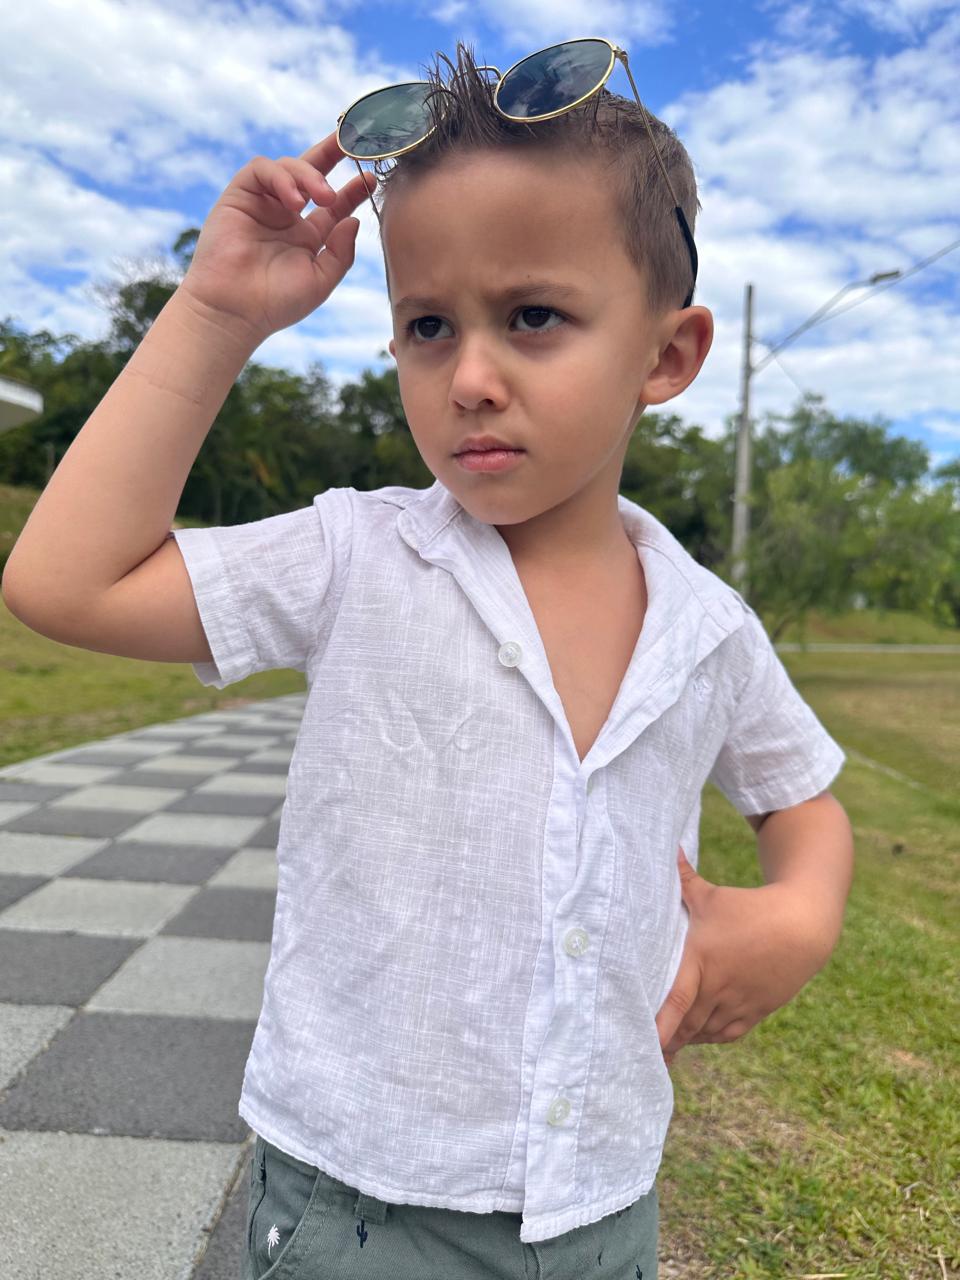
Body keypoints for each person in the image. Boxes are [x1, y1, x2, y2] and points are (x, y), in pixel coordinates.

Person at [2, 38, 854, 1280]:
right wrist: (219, 313)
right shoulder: (357, 553)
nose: (470, 377)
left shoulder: (708, 624)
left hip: (605, 1200)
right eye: (427, 325)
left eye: (534, 316)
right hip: (363, 1209)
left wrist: (799, 915)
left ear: (666, 356)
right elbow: (63, 582)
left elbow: (801, 798)